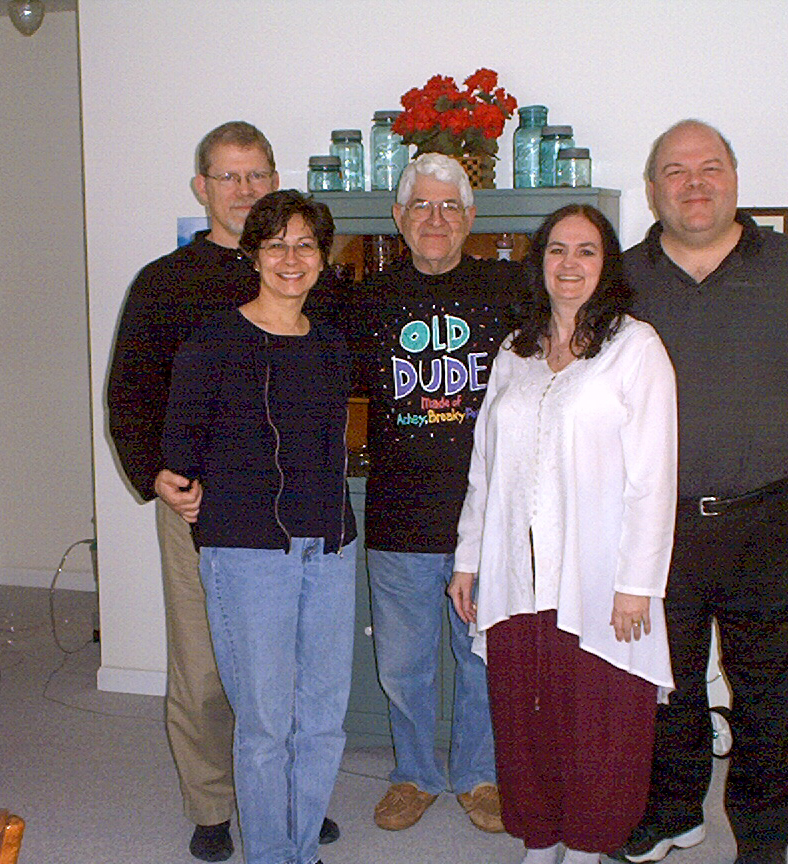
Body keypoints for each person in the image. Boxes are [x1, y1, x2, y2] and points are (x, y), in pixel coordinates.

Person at [610, 120, 788, 864]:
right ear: (652, 187)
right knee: (664, 686)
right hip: (657, 531)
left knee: (774, 697)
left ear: (734, 177)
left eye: (710, 167)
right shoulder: (622, 279)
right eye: (675, 170)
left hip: (775, 520)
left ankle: (763, 841)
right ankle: (671, 812)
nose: (694, 183)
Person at [107, 122, 336, 862]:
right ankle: (212, 803)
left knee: (295, 671)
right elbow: (129, 391)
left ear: (275, 181)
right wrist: (156, 475)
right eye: (229, 177)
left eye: (257, 175)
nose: (244, 190)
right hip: (202, 506)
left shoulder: (307, 276)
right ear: (202, 186)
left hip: (297, 513)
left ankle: (290, 799)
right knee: (207, 669)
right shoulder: (165, 282)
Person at [448, 204, 678, 864]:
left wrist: (637, 584)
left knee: (599, 722)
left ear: (607, 265)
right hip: (518, 574)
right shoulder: (515, 352)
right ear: (538, 261)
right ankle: (540, 837)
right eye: (556, 250)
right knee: (525, 716)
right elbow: (485, 467)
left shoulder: (635, 348)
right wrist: (469, 560)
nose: (569, 264)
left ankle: (585, 844)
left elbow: (653, 478)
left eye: (586, 251)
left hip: (599, 576)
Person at [162, 190, 357, 864]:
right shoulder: (212, 342)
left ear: (323, 258)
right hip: (247, 556)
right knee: (267, 726)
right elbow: (179, 449)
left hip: (329, 552)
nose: (291, 258)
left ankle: (302, 848)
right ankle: (273, 856)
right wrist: (181, 489)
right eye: (276, 244)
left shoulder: (333, 345)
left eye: (306, 244)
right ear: (253, 254)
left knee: (323, 721)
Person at [354, 153, 525, 833]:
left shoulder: (509, 291)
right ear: (398, 219)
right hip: (398, 517)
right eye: (421, 205)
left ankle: (481, 775)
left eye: (449, 206)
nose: (435, 218)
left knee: (481, 658)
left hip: (485, 522)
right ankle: (416, 774)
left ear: (470, 219)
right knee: (403, 665)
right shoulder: (366, 300)